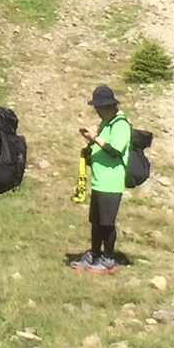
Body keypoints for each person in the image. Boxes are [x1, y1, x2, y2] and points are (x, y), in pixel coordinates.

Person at [71, 84, 130, 273]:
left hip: (111, 182)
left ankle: (108, 259)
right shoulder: (106, 124)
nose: (97, 111)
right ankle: (95, 253)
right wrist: (92, 140)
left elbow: (114, 151)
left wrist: (96, 138)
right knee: (96, 222)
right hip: (99, 181)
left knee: (107, 223)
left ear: (108, 106)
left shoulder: (121, 125)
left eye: (99, 107)